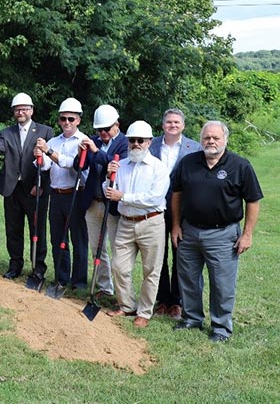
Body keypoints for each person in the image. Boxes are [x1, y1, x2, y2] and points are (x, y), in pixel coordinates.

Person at [171, 120, 262, 342]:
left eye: (215, 137)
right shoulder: (188, 162)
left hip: (223, 235)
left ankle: (221, 327)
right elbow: (176, 194)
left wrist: (247, 234)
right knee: (189, 279)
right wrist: (175, 225)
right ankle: (192, 318)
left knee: (222, 284)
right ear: (201, 140)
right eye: (206, 137)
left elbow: (253, 200)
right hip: (189, 231)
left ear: (225, 140)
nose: (211, 141)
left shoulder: (240, 166)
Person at [103, 121, 170, 328]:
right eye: (132, 140)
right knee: (119, 266)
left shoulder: (158, 168)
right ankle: (127, 305)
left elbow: (154, 198)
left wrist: (123, 196)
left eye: (141, 140)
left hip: (151, 222)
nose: (136, 144)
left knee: (151, 270)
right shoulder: (120, 165)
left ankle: (144, 311)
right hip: (126, 222)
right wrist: (108, 177)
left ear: (149, 142)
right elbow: (107, 190)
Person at [0, 93, 54, 282]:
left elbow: (49, 164)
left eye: (24, 109)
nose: (20, 112)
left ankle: (38, 267)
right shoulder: (7, 133)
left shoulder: (46, 131)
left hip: (35, 189)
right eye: (17, 109)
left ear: (31, 110)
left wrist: (40, 185)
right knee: (13, 228)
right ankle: (15, 265)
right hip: (12, 188)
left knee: (37, 229)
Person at [150, 108, 202, 320]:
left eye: (176, 122)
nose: (172, 125)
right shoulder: (151, 144)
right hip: (155, 206)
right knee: (157, 255)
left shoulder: (194, 148)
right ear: (162, 125)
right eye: (169, 122)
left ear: (183, 126)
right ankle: (162, 299)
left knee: (180, 254)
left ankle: (177, 302)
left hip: (182, 208)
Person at [36, 98, 89, 292]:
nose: (66, 122)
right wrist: (39, 156)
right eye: (63, 119)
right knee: (58, 238)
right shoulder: (53, 141)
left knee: (78, 239)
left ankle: (79, 282)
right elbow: (45, 166)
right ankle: (61, 277)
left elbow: (71, 163)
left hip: (75, 194)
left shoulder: (83, 142)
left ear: (78, 120)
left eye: (71, 119)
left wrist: (48, 151)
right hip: (56, 195)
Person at [78, 105, 128, 299]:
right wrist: (80, 152)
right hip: (93, 201)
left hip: (113, 205)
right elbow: (79, 166)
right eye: (100, 130)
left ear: (117, 125)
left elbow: (118, 166)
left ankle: (121, 293)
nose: (103, 133)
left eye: (107, 129)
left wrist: (96, 150)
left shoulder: (125, 142)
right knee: (96, 248)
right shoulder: (95, 141)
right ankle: (104, 288)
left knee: (118, 250)